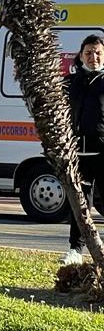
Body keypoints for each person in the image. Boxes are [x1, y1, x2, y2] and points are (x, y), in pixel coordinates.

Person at [60, 34, 104, 266]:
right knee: (79, 204)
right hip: (78, 155)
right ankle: (75, 250)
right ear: (81, 55)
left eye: (97, 53)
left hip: (102, 153)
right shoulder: (71, 82)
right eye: (88, 52)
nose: (93, 57)